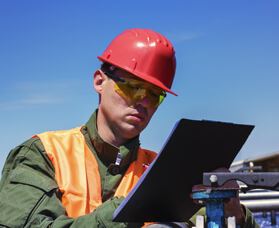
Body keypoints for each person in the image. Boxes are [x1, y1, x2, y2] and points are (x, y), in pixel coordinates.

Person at [0, 28, 257, 227]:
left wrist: (233, 213)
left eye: (155, 95)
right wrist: (131, 210)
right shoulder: (42, 154)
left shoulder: (163, 172)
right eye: (132, 86)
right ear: (100, 81)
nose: (143, 101)